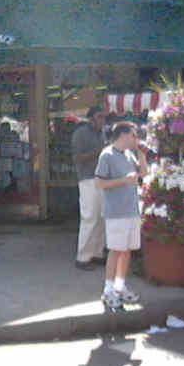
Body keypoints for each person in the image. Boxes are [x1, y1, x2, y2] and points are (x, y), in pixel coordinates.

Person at [95, 121, 147, 309]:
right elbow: (100, 183)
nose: (136, 139)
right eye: (133, 135)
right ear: (123, 135)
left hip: (131, 209)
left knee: (127, 250)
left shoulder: (128, 154)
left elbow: (143, 173)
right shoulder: (107, 155)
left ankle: (120, 285)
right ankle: (108, 289)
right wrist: (123, 181)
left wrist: (141, 152)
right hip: (116, 211)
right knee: (115, 250)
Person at [72, 106, 108, 271]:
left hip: (102, 179)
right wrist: (99, 152)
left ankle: (97, 253)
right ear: (91, 118)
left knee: (101, 218)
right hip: (87, 179)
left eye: (103, 117)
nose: (103, 120)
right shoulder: (80, 134)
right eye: (100, 117)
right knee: (90, 218)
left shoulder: (102, 133)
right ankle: (83, 257)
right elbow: (78, 158)